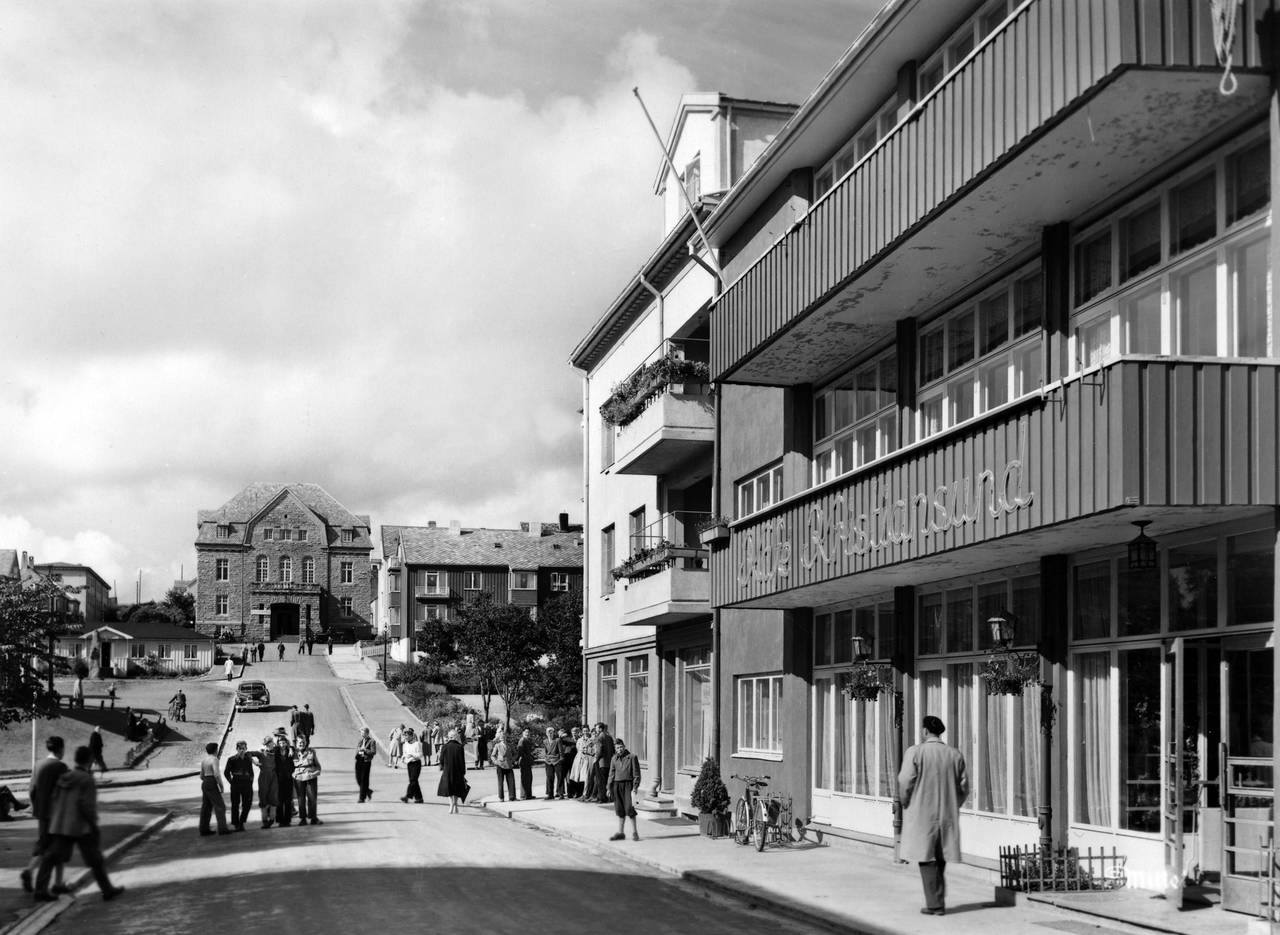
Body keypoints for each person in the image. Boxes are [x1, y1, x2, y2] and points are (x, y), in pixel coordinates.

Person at [898, 715, 969, 917]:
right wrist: (955, 804)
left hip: (922, 812)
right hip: (946, 812)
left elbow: (905, 781)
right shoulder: (954, 755)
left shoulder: (916, 752)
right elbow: (963, 787)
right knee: (940, 855)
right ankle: (937, 900)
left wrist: (905, 802)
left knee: (926, 856)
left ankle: (935, 903)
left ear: (925, 731)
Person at [37, 746, 124, 902]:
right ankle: (107, 890)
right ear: (90, 760)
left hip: (61, 824)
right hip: (80, 826)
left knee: (51, 856)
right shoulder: (86, 779)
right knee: (95, 860)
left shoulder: (65, 776)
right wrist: (93, 825)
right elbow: (87, 805)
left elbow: (54, 798)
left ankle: (40, 890)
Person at [21, 736, 66, 897]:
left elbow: (32, 788)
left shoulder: (38, 764)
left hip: (42, 813)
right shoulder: (60, 767)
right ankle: (50, 883)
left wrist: (36, 808)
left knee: (47, 844)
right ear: (60, 748)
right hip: (56, 814)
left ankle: (56, 881)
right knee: (54, 848)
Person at [607, 737, 643, 842]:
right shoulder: (614, 758)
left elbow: (636, 774)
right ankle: (621, 833)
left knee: (629, 809)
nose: (619, 749)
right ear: (615, 749)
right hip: (617, 786)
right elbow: (611, 774)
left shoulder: (632, 757)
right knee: (620, 809)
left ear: (624, 746)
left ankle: (635, 832)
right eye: (617, 748)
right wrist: (609, 787)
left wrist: (635, 787)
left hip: (628, 786)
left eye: (621, 747)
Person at [198, 742, 230, 837]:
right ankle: (223, 829)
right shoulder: (214, 759)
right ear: (215, 750)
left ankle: (204, 829)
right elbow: (216, 773)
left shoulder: (204, 760)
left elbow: (201, 776)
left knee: (206, 807)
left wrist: (207, 781)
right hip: (212, 781)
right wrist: (221, 785)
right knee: (220, 806)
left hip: (205, 782)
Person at [223, 740, 256, 832]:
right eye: (240, 748)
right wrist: (231, 782)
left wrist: (250, 781)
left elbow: (251, 772)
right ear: (236, 749)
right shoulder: (231, 759)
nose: (242, 750)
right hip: (236, 783)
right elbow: (226, 773)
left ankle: (241, 821)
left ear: (246, 749)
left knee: (247, 804)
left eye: (244, 748)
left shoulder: (248, 759)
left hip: (247, 784)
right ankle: (236, 823)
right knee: (235, 804)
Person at [248, 735, 279, 828]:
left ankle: (272, 820)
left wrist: (291, 750)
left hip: (273, 777)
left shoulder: (275, 751)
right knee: (263, 798)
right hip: (263, 777)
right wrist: (255, 762)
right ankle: (265, 821)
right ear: (265, 745)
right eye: (268, 744)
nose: (271, 744)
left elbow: (288, 747)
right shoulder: (260, 753)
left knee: (273, 798)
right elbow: (248, 753)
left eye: (271, 743)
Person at [436, 728, 467, 814]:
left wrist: (442, 766)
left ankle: (451, 805)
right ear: (456, 737)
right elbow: (462, 761)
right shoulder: (460, 747)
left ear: (449, 737)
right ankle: (456, 805)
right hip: (458, 770)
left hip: (448, 770)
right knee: (456, 789)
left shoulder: (445, 746)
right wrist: (463, 771)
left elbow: (441, 759)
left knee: (449, 788)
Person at [292, 736, 322, 825]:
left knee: (312, 798)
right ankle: (303, 819)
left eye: (303, 742)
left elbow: (317, 765)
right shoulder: (293, 753)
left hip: (310, 777)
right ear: (296, 744)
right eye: (300, 742)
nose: (301, 744)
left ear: (306, 743)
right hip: (299, 778)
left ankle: (313, 818)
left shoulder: (311, 752)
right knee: (301, 799)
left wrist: (315, 773)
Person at [274, 734, 297, 827]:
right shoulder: (276, 751)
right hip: (278, 779)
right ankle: (280, 820)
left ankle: (287, 820)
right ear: (278, 744)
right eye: (280, 743)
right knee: (279, 800)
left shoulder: (290, 750)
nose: (282, 745)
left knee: (288, 800)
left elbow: (295, 748)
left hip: (288, 778)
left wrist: (291, 748)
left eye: (284, 743)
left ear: (286, 743)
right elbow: (265, 747)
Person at [399, 728, 424, 804]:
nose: (405, 738)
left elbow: (420, 755)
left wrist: (412, 755)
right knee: (414, 781)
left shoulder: (417, 744)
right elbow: (405, 753)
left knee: (413, 780)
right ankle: (419, 798)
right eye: (405, 736)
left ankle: (407, 796)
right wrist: (403, 757)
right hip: (409, 764)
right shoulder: (405, 744)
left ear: (411, 736)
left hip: (416, 763)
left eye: (407, 736)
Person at [491, 727, 516, 802]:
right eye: (501, 737)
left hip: (509, 765)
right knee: (500, 782)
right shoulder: (497, 745)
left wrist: (512, 760)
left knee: (511, 781)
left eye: (504, 737)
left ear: (505, 737)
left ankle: (512, 796)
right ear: (499, 738)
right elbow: (492, 755)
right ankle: (501, 797)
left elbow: (515, 753)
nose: (503, 738)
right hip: (500, 765)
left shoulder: (510, 745)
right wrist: (496, 762)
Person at [594, 723, 615, 803]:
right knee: (607, 780)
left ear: (600, 729)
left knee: (601, 781)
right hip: (609, 762)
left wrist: (596, 759)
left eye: (596, 728)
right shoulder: (609, 737)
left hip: (601, 762)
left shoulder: (599, 737)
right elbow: (613, 750)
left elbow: (599, 750)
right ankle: (609, 797)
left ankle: (602, 798)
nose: (596, 730)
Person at [354, 727, 376, 803]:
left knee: (364, 780)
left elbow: (373, 752)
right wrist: (359, 750)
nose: (361, 734)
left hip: (366, 761)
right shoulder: (360, 740)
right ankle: (368, 791)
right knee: (358, 778)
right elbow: (357, 749)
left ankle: (361, 798)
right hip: (359, 760)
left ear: (367, 733)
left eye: (363, 733)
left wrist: (365, 750)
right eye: (361, 733)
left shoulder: (372, 741)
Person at [568, 727, 590, 799]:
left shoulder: (590, 740)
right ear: (582, 732)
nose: (585, 732)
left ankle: (584, 792)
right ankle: (577, 792)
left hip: (586, 759)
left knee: (585, 776)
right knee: (577, 776)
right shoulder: (579, 740)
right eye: (584, 731)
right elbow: (578, 749)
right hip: (579, 759)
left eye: (586, 731)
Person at [542, 725, 562, 800]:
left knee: (560, 777)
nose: (550, 734)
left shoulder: (557, 740)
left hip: (557, 760)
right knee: (549, 778)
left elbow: (561, 752)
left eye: (551, 732)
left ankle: (560, 793)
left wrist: (560, 760)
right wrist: (545, 758)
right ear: (546, 733)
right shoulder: (545, 741)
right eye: (548, 733)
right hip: (548, 761)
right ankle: (550, 794)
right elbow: (545, 751)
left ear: (553, 733)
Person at [515, 728, 536, 800]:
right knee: (524, 778)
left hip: (527, 761)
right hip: (524, 761)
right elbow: (520, 751)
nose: (527, 733)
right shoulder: (522, 740)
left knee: (529, 778)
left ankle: (528, 795)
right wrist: (523, 758)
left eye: (528, 732)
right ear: (523, 733)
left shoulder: (527, 740)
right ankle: (523, 795)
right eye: (526, 732)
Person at [556, 729, 576, 800]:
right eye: (560, 734)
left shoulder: (570, 740)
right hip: (561, 761)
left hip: (569, 761)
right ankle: (561, 793)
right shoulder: (558, 740)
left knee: (569, 778)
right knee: (561, 777)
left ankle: (569, 793)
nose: (561, 735)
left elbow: (573, 749)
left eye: (562, 733)